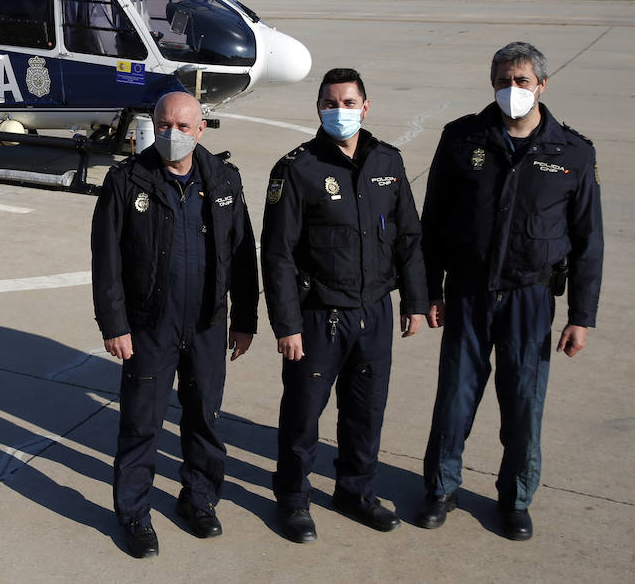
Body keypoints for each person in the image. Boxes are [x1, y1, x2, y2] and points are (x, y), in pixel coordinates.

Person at [417, 41, 603, 541]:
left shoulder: (573, 152)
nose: (511, 90)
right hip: (469, 292)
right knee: (455, 398)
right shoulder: (461, 138)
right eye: (502, 80)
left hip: (531, 297)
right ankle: (440, 489)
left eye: (521, 81)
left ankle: (515, 499)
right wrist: (428, 290)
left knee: (523, 402)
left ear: (542, 85)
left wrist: (581, 316)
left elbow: (589, 242)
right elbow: (433, 222)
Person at [260, 68, 428, 543]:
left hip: (374, 311)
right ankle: (293, 499)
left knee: (366, 411)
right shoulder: (296, 169)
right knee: (303, 416)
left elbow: (409, 238)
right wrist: (286, 324)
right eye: (331, 103)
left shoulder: (388, 162)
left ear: (366, 107)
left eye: (349, 102)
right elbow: (277, 255)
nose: (340, 111)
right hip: (319, 317)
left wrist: (415, 301)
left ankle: (354, 491)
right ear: (318, 108)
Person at [91, 90, 259, 558]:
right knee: (142, 422)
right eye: (165, 124)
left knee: (204, 417)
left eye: (184, 127)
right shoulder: (127, 181)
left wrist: (245, 318)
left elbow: (244, 255)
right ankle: (134, 513)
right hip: (149, 325)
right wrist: (114, 323)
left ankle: (198, 499)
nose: (173, 134)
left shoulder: (225, 179)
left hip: (207, 323)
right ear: (153, 124)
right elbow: (106, 262)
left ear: (201, 130)